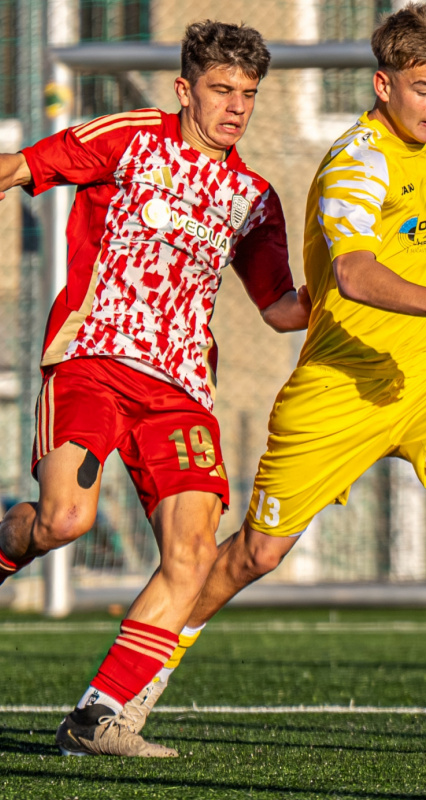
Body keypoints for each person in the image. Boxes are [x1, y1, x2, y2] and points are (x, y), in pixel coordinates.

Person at [124, 2, 426, 742]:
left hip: (424, 374)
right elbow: (356, 274)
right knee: (253, 554)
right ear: (382, 86)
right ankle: (140, 678)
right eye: (424, 90)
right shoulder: (355, 163)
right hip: (340, 383)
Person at [0, 20, 309, 757]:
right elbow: (20, 166)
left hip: (180, 391)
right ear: (184, 89)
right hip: (92, 361)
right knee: (65, 520)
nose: (236, 106)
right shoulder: (134, 136)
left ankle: (98, 715)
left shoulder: (254, 199)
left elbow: (278, 309)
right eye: (221, 89)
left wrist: (354, 289)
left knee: (193, 554)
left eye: (248, 94)